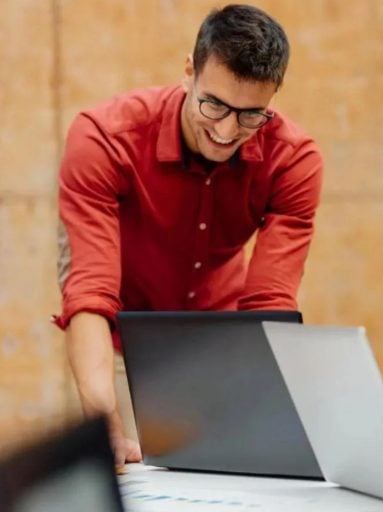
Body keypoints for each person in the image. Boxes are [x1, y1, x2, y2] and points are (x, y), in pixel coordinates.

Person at [54, 5, 323, 466]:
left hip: (218, 346)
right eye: (213, 104)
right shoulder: (104, 138)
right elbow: (90, 292)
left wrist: (268, 419)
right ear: (188, 72)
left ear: (273, 97)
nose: (225, 131)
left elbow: (269, 303)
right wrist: (105, 429)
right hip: (118, 341)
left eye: (250, 114)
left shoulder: (293, 160)